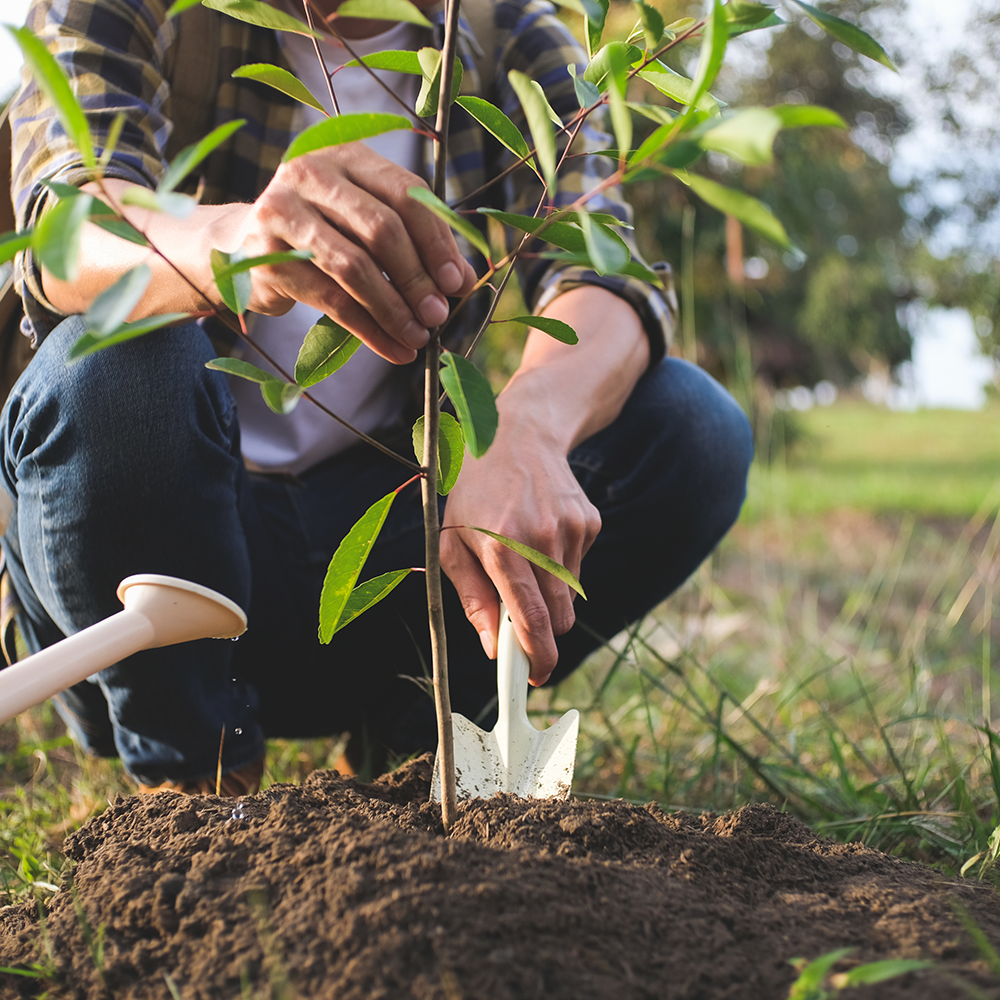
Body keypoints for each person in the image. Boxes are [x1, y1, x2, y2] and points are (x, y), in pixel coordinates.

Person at [4, 0, 753, 792]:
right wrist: (228, 244)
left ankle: (408, 757)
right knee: (124, 356)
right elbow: (63, 228)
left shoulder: (507, 33)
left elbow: (602, 269)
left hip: (395, 557)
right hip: (148, 565)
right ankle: (195, 790)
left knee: (689, 427)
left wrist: (526, 424)